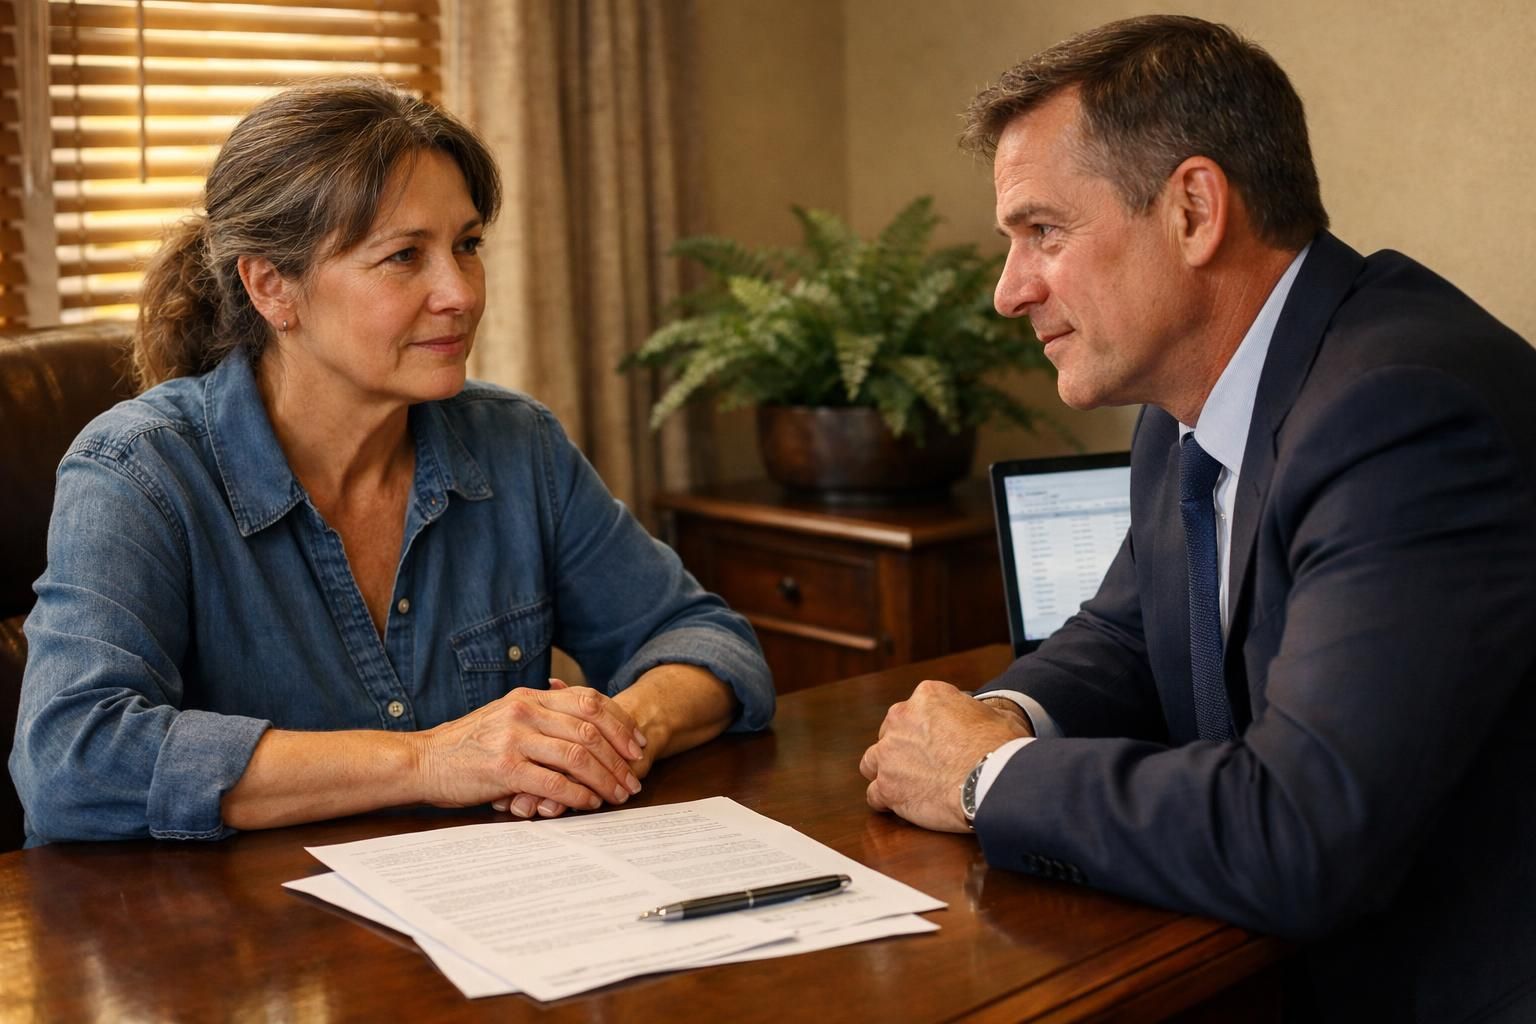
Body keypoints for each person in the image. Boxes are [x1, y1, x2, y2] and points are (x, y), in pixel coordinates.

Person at [859, 16, 1536, 1022]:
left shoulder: (1398, 413)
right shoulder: (1189, 404)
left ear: (1192, 210)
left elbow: (1300, 835)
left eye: (1042, 230)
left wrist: (983, 776)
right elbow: (1130, 634)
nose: (1010, 290)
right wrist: (1004, 715)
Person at [10, 80, 773, 846]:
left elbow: (710, 643)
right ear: (272, 286)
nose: (460, 293)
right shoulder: (139, 471)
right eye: (404, 256)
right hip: (232, 946)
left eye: (467, 246)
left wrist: (612, 728)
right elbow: (72, 761)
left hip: (487, 921)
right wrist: (428, 762)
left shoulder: (516, 445)